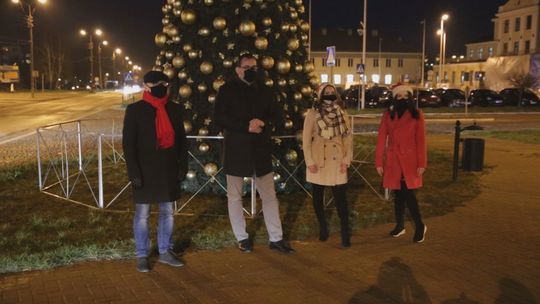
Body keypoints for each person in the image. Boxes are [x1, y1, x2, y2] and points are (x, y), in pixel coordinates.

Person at [213, 53, 295, 254]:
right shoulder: (227, 90)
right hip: (236, 150)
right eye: (247, 67)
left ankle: (276, 239)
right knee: (234, 196)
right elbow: (219, 117)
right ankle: (242, 238)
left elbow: (277, 115)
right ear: (238, 69)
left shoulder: (265, 90)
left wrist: (263, 123)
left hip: (260, 151)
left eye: (254, 68)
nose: (251, 71)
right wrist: (245, 126)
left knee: (269, 196)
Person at [122, 70, 188, 272]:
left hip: (168, 169)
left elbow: (182, 141)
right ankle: (142, 255)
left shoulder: (174, 109)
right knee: (142, 214)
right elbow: (128, 144)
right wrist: (134, 172)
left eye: (164, 83)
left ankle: (165, 251)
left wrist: (182, 166)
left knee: (167, 212)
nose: (161, 87)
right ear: (146, 86)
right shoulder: (135, 110)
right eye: (156, 83)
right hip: (144, 171)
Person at [375, 83, 427, 243]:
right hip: (394, 160)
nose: (403, 98)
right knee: (398, 193)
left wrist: (422, 163)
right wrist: (378, 161)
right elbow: (381, 138)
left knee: (408, 194)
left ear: (410, 98)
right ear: (395, 98)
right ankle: (400, 226)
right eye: (399, 96)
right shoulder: (388, 115)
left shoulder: (417, 114)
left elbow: (421, 140)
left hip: (410, 160)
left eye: (406, 96)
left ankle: (419, 226)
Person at [302, 83, 353, 248]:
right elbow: (306, 140)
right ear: (320, 95)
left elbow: (348, 139)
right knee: (318, 198)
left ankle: (345, 233)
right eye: (327, 92)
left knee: (341, 201)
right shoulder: (313, 114)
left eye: (332, 92)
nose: (330, 95)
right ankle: (323, 227)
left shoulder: (342, 113)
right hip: (319, 161)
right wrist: (309, 162)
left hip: (337, 161)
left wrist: (346, 160)